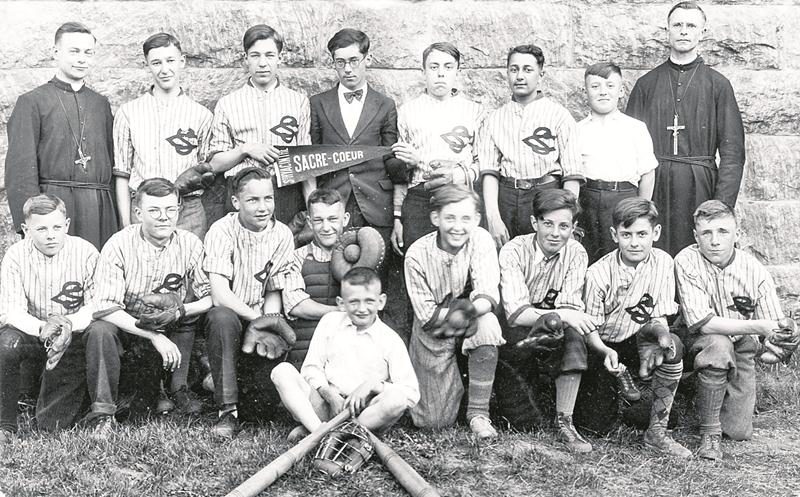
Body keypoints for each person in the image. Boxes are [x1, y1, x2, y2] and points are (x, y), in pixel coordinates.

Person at [626, 1, 745, 257]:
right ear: (667, 30)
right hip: (655, 185)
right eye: (677, 25)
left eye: (691, 25)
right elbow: (628, 148)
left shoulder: (718, 85)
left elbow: (733, 153)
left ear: (702, 32)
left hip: (701, 186)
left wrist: (720, 206)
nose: (683, 31)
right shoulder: (646, 84)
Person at [577, 197, 690, 458]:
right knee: (595, 426)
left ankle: (657, 431)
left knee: (672, 344)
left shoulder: (663, 261)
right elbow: (590, 328)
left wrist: (660, 335)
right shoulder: (598, 273)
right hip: (604, 346)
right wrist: (603, 352)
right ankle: (624, 397)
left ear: (656, 233)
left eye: (642, 234)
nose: (635, 242)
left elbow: (659, 313)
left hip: (640, 339)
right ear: (614, 234)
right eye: (626, 235)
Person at [92, 179, 212, 425]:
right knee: (101, 330)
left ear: (179, 210)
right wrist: (154, 336)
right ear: (138, 213)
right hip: (130, 325)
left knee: (190, 313)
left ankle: (178, 387)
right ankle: (104, 409)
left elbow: (211, 296)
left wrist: (181, 310)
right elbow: (104, 307)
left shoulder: (190, 243)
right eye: (154, 211)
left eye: (170, 210)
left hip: (171, 325)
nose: (164, 218)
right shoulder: (119, 244)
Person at [675, 200, 787, 460]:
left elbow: (773, 327)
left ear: (737, 234)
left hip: (742, 348)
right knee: (718, 343)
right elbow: (702, 322)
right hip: (697, 342)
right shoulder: (687, 260)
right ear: (696, 236)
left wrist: (782, 340)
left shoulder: (755, 270)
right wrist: (758, 326)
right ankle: (709, 433)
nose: (715, 241)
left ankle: (700, 395)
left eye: (723, 232)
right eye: (707, 233)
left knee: (737, 431)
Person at [310, 28, 405, 328]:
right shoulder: (318, 103)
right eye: (340, 62)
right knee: (340, 286)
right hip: (336, 208)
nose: (348, 69)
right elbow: (312, 158)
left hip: (377, 207)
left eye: (354, 60)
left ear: (367, 59)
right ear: (333, 63)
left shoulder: (385, 104)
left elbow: (392, 159)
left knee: (378, 288)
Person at [0, 194, 113, 442]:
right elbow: (10, 310)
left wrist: (68, 325)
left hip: (73, 338)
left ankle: (95, 410)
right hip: (34, 334)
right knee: (7, 343)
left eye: (56, 227)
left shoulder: (85, 251)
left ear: (67, 224)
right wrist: (43, 327)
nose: (50, 235)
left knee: (52, 425)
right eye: (41, 228)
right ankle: (5, 424)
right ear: (25, 229)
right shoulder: (15, 256)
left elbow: (96, 303)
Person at [495, 188, 596, 452]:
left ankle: (566, 421)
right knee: (523, 423)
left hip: (553, 330)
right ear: (534, 223)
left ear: (573, 227)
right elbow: (517, 314)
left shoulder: (576, 253)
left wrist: (563, 315)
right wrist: (563, 315)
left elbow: (570, 306)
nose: (555, 233)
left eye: (564, 226)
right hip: (517, 335)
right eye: (547, 224)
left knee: (573, 333)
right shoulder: (514, 250)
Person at [5, 22, 118, 250]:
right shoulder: (31, 102)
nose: (82, 59)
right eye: (74, 51)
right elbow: (20, 171)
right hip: (51, 210)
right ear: (56, 53)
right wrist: (30, 223)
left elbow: (113, 163)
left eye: (88, 53)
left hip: (98, 210)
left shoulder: (101, 104)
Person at [404, 184, 503, 439]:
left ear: (477, 219)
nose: (458, 226)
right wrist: (457, 316)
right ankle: (451, 394)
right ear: (435, 218)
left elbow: (488, 295)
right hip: (434, 330)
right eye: (450, 218)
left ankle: (478, 413)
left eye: (466, 218)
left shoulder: (480, 238)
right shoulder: (416, 254)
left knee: (488, 324)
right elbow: (426, 316)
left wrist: (467, 310)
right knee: (432, 421)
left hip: (468, 314)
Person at [272, 267, 419, 440]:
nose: (362, 309)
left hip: (365, 414)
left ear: (381, 301)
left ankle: (343, 433)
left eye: (369, 301)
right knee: (281, 371)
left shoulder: (390, 339)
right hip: (327, 405)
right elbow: (311, 369)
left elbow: (411, 393)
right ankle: (319, 432)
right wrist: (328, 394)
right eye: (354, 302)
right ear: (341, 303)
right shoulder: (330, 322)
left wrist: (373, 385)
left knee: (397, 399)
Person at [203, 167, 295, 438]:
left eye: (268, 198)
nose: (263, 207)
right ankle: (227, 411)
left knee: (260, 412)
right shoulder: (221, 230)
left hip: (258, 316)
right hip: (226, 316)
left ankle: (216, 380)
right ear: (236, 202)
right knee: (222, 317)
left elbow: (274, 290)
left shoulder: (282, 235)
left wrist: (269, 323)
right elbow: (220, 293)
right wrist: (256, 319)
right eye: (253, 200)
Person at [208, 24, 314, 224]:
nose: (263, 63)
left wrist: (312, 207)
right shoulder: (228, 103)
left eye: (270, 55)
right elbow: (214, 164)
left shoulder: (298, 101)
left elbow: (305, 162)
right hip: (242, 192)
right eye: (255, 55)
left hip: (285, 192)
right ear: (245, 59)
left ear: (280, 58)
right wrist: (245, 149)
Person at [479, 45, 582, 248]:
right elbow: (489, 172)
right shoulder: (495, 118)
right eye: (514, 69)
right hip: (507, 197)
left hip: (547, 194)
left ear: (540, 74)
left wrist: (565, 219)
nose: (519, 76)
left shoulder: (558, 115)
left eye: (528, 69)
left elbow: (572, 175)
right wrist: (493, 219)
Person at [113, 32, 213, 238]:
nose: (165, 69)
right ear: (147, 65)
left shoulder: (201, 115)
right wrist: (126, 224)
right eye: (156, 62)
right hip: (143, 207)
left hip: (187, 208)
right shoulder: (128, 112)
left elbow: (207, 171)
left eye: (170, 61)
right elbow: (122, 174)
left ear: (182, 62)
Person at [390, 42, 487, 253]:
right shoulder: (408, 112)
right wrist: (397, 217)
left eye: (448, 67)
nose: (440, 73)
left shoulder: (474, 111)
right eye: (434, 67)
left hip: (460, 195)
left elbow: (484, 162)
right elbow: (399, 175)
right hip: (420, 195)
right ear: (423, 71)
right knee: (418, 258)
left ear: (457, 71)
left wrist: (460, 174)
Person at [577, 62, 657, 263]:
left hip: (624, 199)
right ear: (585, 92)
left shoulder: (635, 128)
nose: (603, 92)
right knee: (589, 257)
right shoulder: (577, 130)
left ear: (621, 91)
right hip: (589, 200)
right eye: (595, 86)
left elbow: (647, 173)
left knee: (623, 257)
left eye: (610, 86)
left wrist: (642, 211)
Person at [281, 189, 349, 367]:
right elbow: (296, 305)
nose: (326, 227)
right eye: (319, 220)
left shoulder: (358, 254)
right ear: (310, 223)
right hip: (305, 351)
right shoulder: (296, 257)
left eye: (333, 219)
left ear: (346, 219)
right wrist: (342, 311)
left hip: (345, 352)